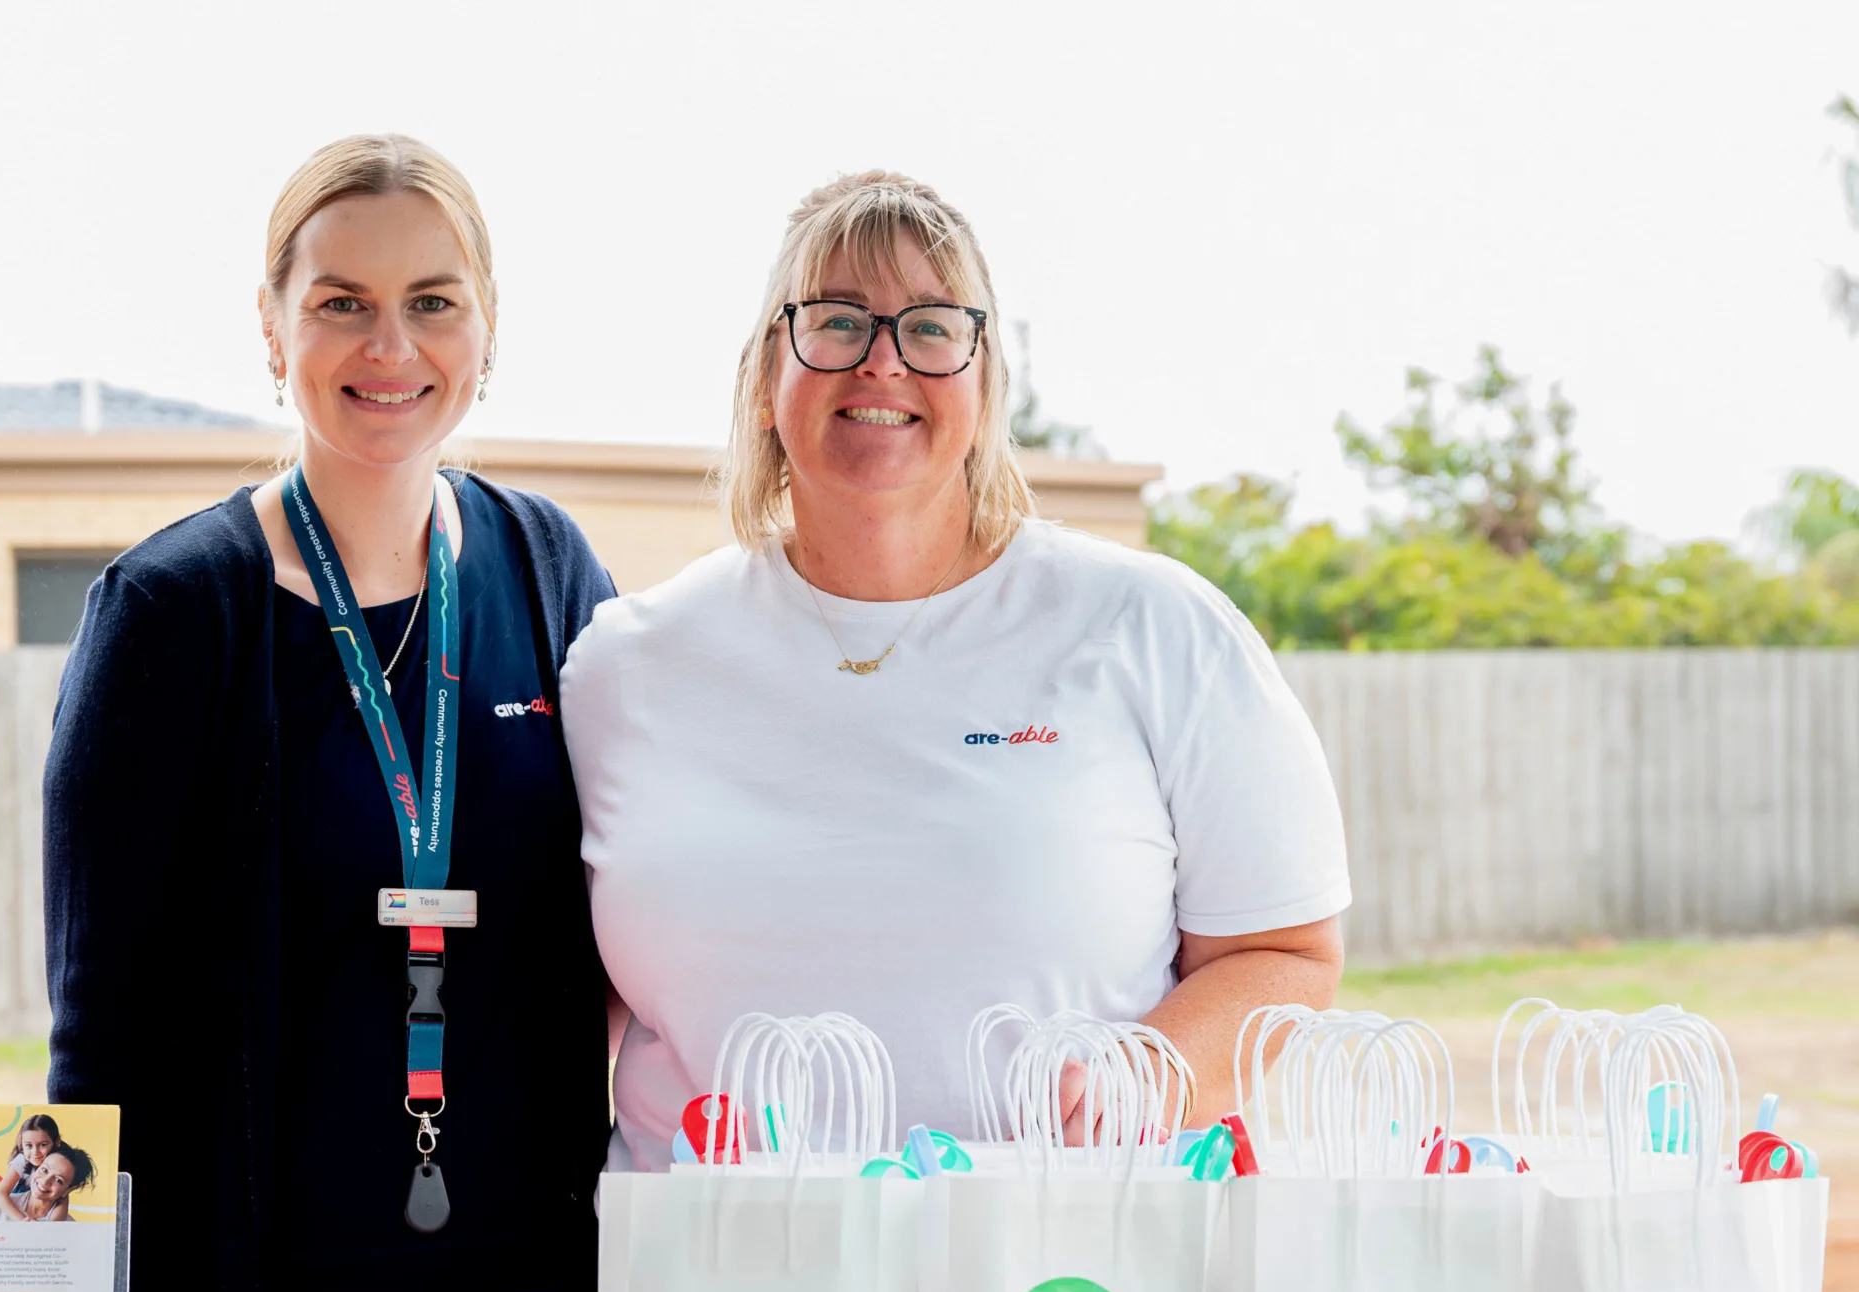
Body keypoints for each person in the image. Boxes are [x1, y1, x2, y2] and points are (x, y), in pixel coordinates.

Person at [43, 134, 614, 1292]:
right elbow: (101, 1028)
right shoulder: (176, 614)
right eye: (340, 301)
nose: (389, 344)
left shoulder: (549, 573)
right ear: (271, 324)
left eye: (433, 298)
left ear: (486, 324)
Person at [562, 170, 1349, 1158]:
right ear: (768, 378)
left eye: (931, 327)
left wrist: (1150, 1074)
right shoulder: (627, 665)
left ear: (984, 385)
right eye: (836, 321)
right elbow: (555, 1003)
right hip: (720, 1284)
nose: (882, 363)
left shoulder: (1153, 626)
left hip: (1061, 1276)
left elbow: (1283, 950)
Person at [0, 1114, 62, 1221]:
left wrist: (49, 1227)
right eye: (29, 1146)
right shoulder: (22, 1161)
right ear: (22, 1145)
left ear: (56, 1142)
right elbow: (1, 1193)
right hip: (17, 1211)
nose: (35, 1152)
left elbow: (62, 1201)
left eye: (43, 1145)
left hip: (43, 1213)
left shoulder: (60, 1163)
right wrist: (23, 1220)